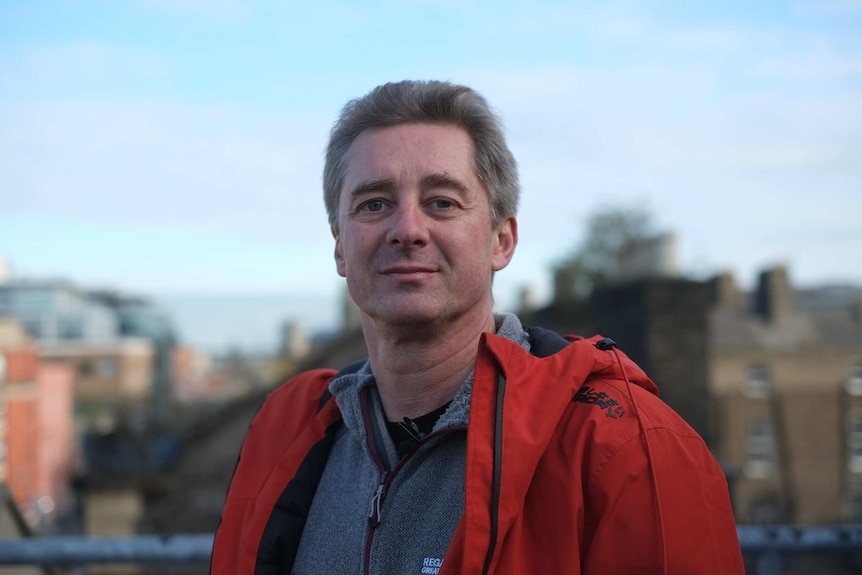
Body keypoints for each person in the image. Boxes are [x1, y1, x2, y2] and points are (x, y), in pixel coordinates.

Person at [210, 80, 745, 575]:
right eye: (374, 204)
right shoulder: (288, 440)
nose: (407, 230)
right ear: (339, 247)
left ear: (501, 241)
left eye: (442, 202)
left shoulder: (625, 448)